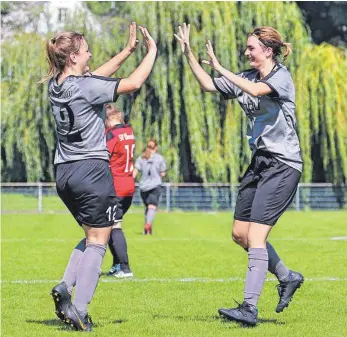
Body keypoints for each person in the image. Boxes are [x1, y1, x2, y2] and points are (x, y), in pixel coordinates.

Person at [175, 23, 304, 326]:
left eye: (251, 48)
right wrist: (188, 53)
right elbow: (209, 85)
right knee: (240, 234)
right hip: (259, 162)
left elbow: (257, 90)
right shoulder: (244, 77)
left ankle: (249, 308)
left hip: (283, 164)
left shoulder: (280, 77)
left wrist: (220, 65)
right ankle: (287, 277)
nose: (246, 52)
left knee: (256, 236)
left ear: (268, 51)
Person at [40, 22, 157, 331]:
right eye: (87, 49)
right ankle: (79, 309)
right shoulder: (85, 86)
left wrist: (126, 51)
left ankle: (66, 287)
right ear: (76, 56)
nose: (91, 53)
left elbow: (95, 78)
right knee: (98, 241)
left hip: (65, 172)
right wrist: (151, 52)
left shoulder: (56, 85)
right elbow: (130, 83)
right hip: (92, 170)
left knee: (93, 233)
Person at [104, 103, 135, 278]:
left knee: (114, 225)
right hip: (129, 185)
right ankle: (117, 265)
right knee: (107, 224)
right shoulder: (129, 132)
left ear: (109, 118)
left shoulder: (111, 134)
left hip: (115, 186)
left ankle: (125, 267)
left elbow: (103, 157)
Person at [133, 139, 167, 235]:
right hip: (155, 185)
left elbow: (135, 171)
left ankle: (147, 230)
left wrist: (130, 180)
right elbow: (163, 173)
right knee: (152, 207)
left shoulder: (141, 158)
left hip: (143, 187)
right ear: (155, 148)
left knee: (148, 207)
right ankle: (148, 224)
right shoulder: (159, 158)